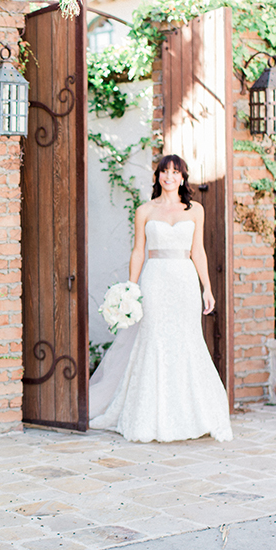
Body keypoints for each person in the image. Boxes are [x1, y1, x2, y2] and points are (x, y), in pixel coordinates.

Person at [89, 154, 233, 443]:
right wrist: (131, 287)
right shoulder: (144, 210)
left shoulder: (195, 210)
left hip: (184, 281)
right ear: (157, 176)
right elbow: (138, 251)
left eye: (175, 172)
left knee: (187, 340)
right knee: (153, 339)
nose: (169, 176)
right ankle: (150, 415)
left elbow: (198, 251)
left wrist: (207, 287)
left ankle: (192, 414)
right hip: (154, 280)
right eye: (164, 171)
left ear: (183, 178)